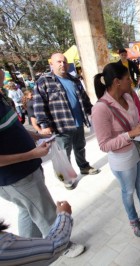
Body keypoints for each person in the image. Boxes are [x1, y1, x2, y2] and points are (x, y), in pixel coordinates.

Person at [0, 68, 85, 259]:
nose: (2, 71)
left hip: (26, 171)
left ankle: (28, 251)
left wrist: (37, 136)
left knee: (27, 210)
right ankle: (62, 246)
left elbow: (14, 128)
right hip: (16, 177)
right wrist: (31, 154)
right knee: (45, 210)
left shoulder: (1, 99)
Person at [91, 63, 140, 237]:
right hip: (122, 160)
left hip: (138, 151)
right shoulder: (100, 108)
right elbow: (104, 145)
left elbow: (133, 124)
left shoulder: (129, 97)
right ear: (117, 82)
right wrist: (130, 134)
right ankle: (133, 219)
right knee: (128, 191)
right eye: (128, 78)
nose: (132, 81)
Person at [34, 53, 100, 182]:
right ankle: (66, 177)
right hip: (61, 126)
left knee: (80, 147)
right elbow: (39, 105)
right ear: (51, 64)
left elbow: (84, 99)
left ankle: (84, 167)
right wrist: (44, 125)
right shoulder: (44, 81)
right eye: (58, 62)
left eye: (64, 62)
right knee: (64, 153)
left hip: (78, 123)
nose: (62, 64)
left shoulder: (74, 80)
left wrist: (93, 112)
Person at [0, 201, 74, 265]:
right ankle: (68, 248)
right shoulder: (3, 247)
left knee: (25, 207)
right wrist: (64, 215)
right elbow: (55, 246)